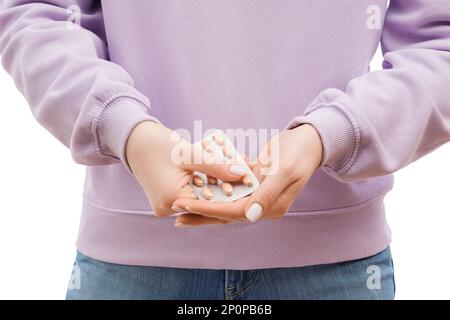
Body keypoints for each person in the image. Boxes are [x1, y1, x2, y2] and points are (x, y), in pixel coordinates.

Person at [0, 0, 449, 300]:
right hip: (130, 269)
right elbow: (38, 15)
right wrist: (127, 129)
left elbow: (440, 44)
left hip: (336, 271)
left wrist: (328, 134)